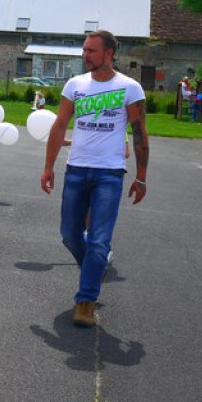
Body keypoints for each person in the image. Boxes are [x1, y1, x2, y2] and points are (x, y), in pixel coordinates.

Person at [40, 30, 148, 328]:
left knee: (100, 240)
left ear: (109, 54)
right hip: (76, 170)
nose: (85, 56)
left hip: (109, 174)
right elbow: (60, 126)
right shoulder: (75, 85)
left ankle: (85, 300)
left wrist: (141, 177)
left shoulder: (129, 87)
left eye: (91, 51)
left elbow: (140, 134)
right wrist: (48, 166)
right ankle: (93, 266)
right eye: (84, 50)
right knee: (69, 235)